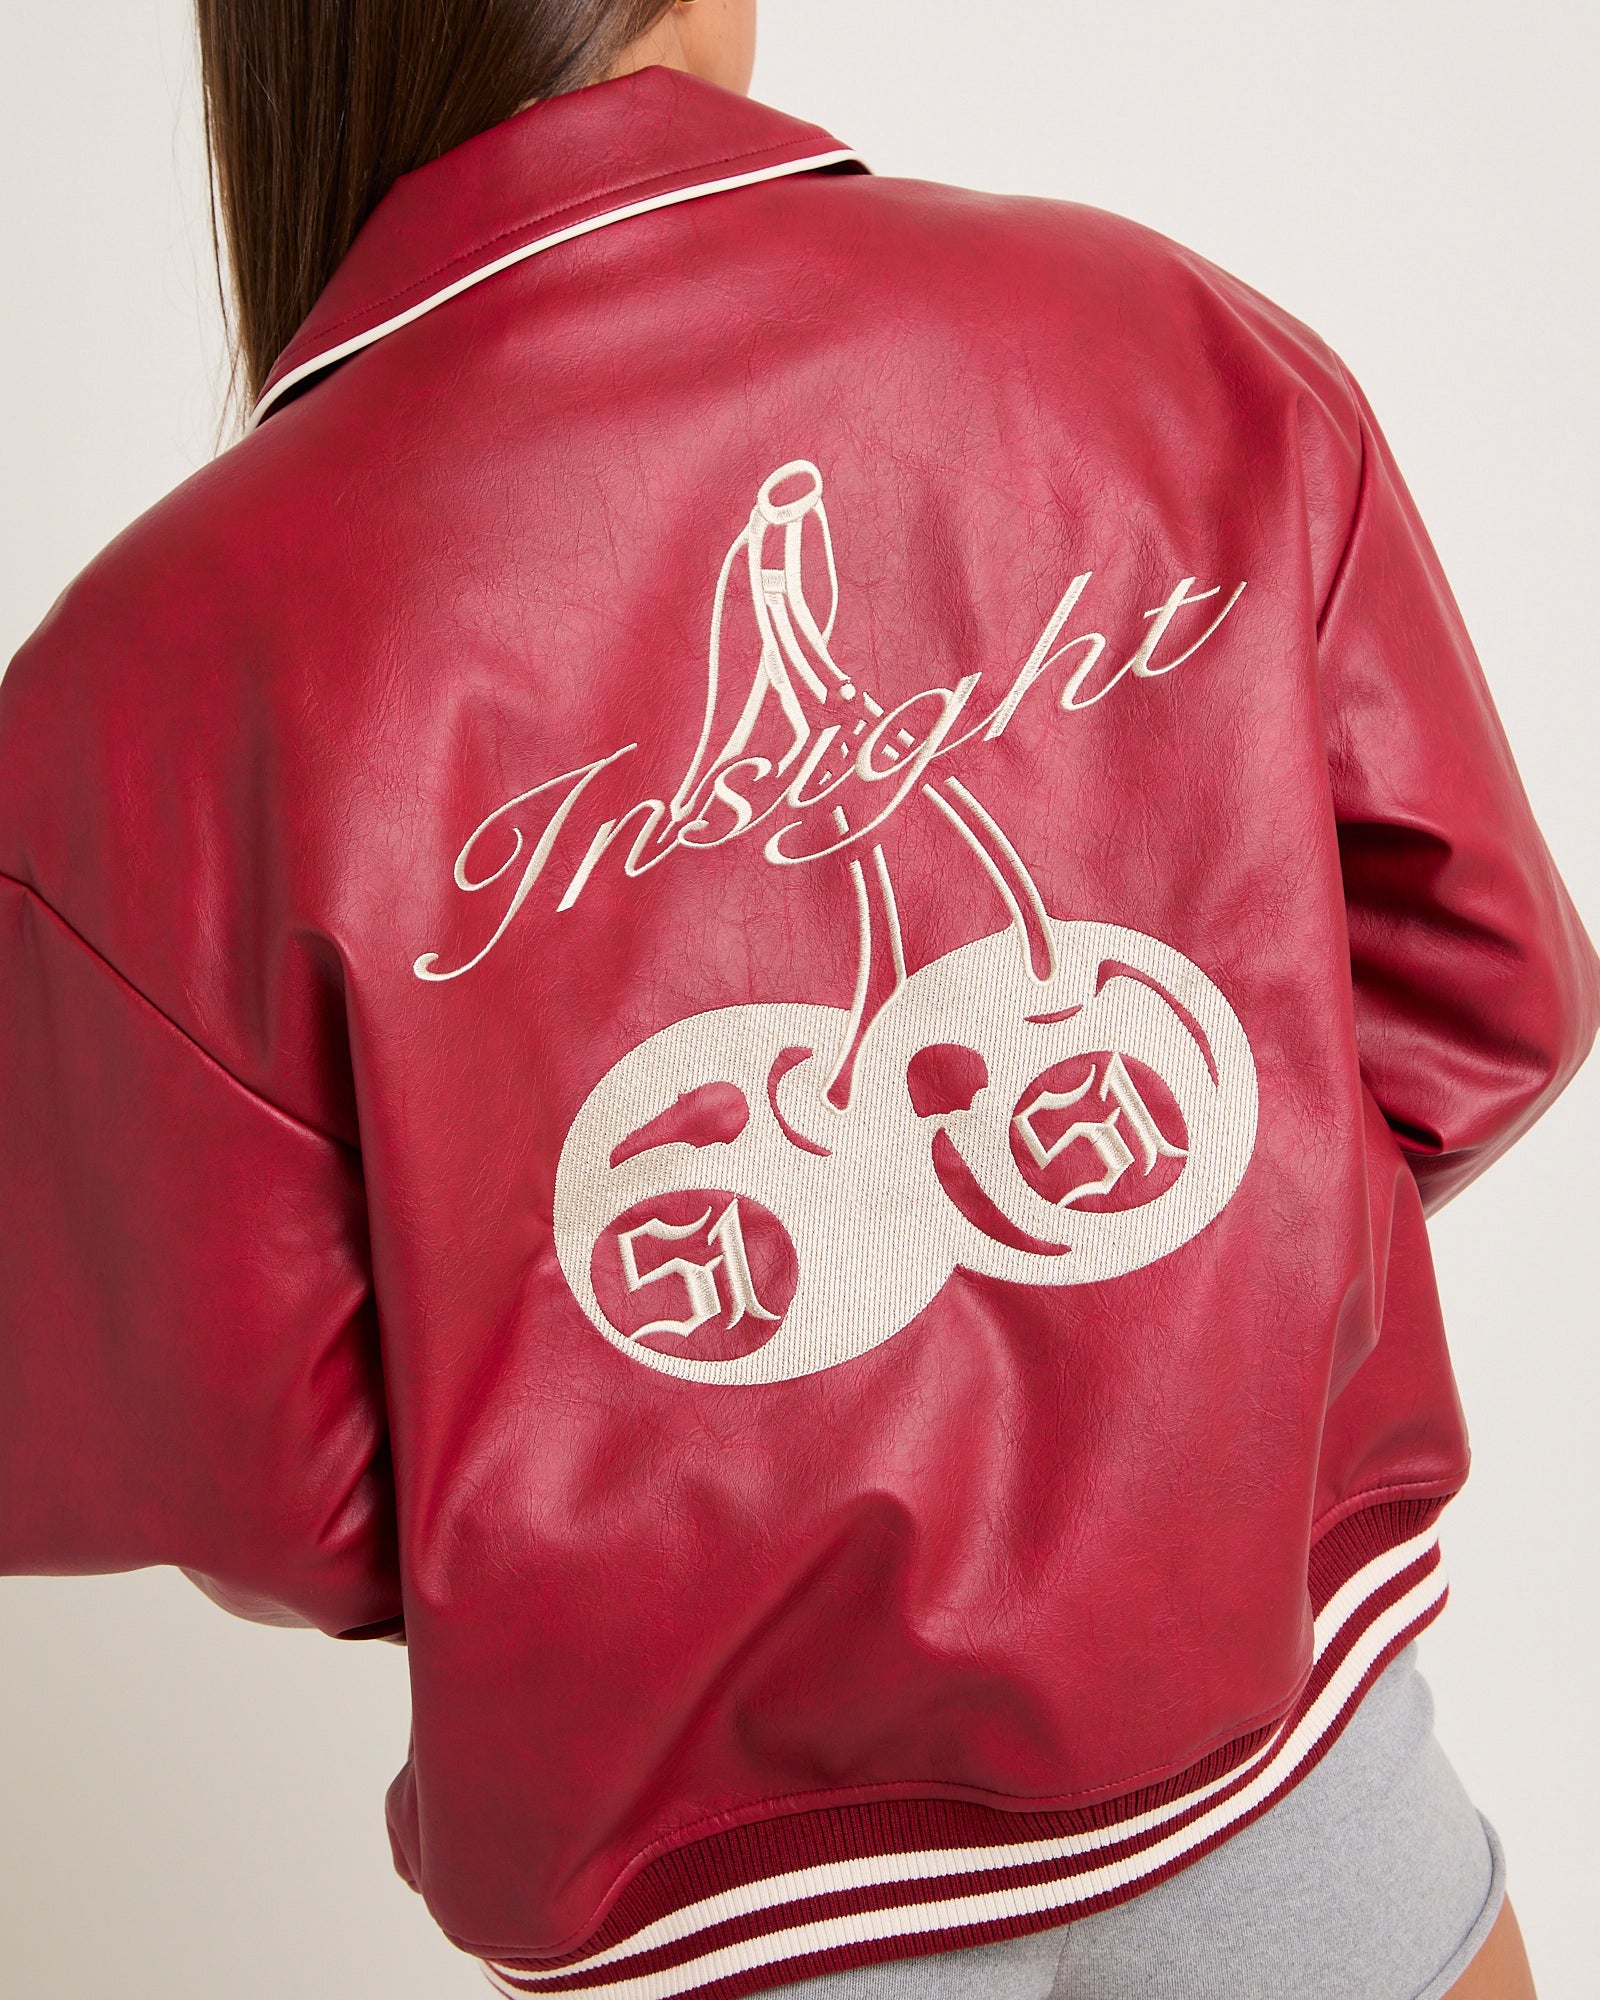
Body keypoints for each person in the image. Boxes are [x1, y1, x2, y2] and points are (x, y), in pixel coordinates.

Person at [0, 2, 1593, 1995]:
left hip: (736, 1910)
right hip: (1294, 1772)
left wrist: (575, 1469)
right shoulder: (1157, 336)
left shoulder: (143, 683)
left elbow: (248, 1454)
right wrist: (1196, 1339)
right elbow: (1488, 995)